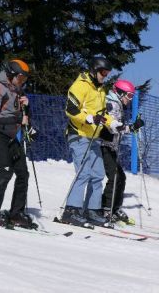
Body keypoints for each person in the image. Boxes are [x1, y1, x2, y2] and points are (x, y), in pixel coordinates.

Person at [61, 56, 117, 227]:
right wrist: (90, 118)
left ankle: (91, 210)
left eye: (107, 73)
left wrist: (114, 123)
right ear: (93, 70)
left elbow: (102, 114)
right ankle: (71, 210)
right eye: (102, 72)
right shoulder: (80, 85)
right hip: (78, 134)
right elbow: (70, 109)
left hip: (93, 137)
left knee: (98, 174)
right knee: (83, 172)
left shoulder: (100, 90)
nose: (104, 76)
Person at [0, 59, 36, 229]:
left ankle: (16, 213)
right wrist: (19, 118)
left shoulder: (18, 92)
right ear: (11, 74)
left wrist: (28, 110)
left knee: (23, 173)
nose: (22, 82)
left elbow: (23, 119)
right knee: (6, 170)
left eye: (24, 80)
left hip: (12, 137)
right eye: (20, 78)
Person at [101, 79, 144, 224]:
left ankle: (115, 207)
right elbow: (113, 126)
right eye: (129, 96)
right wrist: (131, 128)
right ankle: (106, 209)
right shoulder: (111, 104)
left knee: (121, 177)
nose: (130, 100)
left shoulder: (118, 104)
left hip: (111, 146)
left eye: (132, 96)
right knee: (114, 177)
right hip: (104, 145)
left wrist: (132, 127)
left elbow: (119, 127)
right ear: (120, 93)